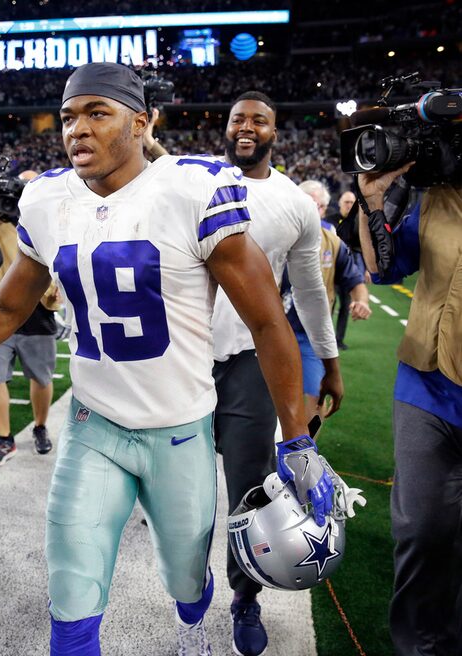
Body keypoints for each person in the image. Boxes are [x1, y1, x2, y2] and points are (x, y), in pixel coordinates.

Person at [0, 63, 335, 656]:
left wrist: (296, 439)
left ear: (141, 122)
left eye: (98, 113)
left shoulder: (192, 189)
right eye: (69, 116)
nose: (78, 128)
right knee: (71, 580)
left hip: (179, 428)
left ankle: (193, 626)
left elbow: (268, 322)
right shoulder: (48, 198)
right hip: (93, 423)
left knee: (184, 575)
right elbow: (7, 306)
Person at [149, 93, 345, 655]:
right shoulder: (194, 179)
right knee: (182, 494)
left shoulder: (295, 203)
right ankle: (191, 594)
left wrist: (330, 364)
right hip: (183, 359)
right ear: (227, 126)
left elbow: (310, 293)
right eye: (238, 118)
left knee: (250, 488)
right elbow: (155, 160)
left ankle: (244, 598)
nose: (247, 127)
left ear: (275, 132)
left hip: (248, 363)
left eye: (259, 120)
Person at [356, 164, 462, 656]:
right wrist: (373, 201)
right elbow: (384, 268)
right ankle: (418, 647)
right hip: (426, 383)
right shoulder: (439, 197)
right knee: (420, 530)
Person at [0, 172, 60, 466]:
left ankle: (40, 426)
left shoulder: (53, 218)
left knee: (41, 377)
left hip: (38, 310)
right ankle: (4, 438)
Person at [295, 180, 371, 420]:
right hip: (270, 332)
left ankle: (305, 445)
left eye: (317, 206)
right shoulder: (276, 237)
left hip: (312, 336)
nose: (311, 211)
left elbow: (355, 281)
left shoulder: (332, 242)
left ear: (323, 209)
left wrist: (362, 301)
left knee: (314, 403)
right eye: (306, 204)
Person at [328, 189, 365, 350]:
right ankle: (326, 339)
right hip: (330, 270)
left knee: (346, 306)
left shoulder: (358, 222)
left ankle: (339, 339)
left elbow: (361, 247)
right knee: (329, 304)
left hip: (346, 271)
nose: (349, 205)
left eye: (352, 202)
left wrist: (366, 269)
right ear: (340, 203)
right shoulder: (329, 221)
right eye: (346, 202)